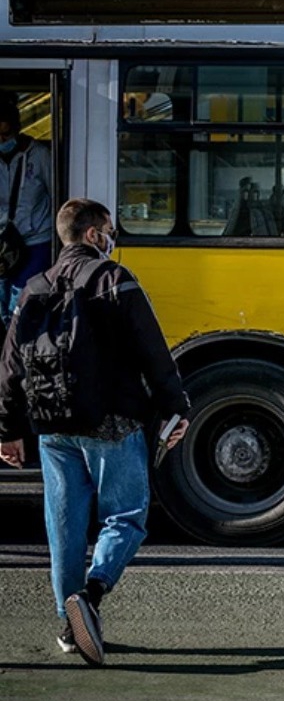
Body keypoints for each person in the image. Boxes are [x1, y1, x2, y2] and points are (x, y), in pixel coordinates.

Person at [0, 198, 190, 666]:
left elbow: (10, 365)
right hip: (111, 421)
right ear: (91, 235)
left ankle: (69, 627)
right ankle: (93, 593)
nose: (112, 238)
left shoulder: (34, 287)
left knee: (63, 528)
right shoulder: (113, 280)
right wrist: (176, 407)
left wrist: (8, 429)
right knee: (126, 516)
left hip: (52, 427)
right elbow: (153, 350)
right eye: (109, 230)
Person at [0, 91, 55, 328]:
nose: (2, 142)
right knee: (2, 304)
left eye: (6, 135)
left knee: (20, 303)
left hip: (35, 241)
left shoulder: (40, 156)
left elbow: (57, 194)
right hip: (3, 242)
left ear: (18, 129)